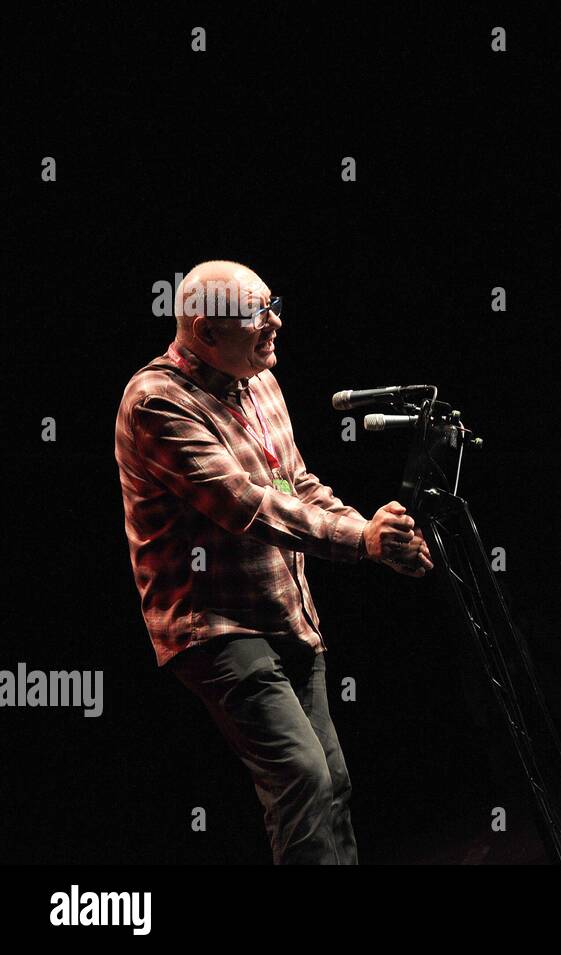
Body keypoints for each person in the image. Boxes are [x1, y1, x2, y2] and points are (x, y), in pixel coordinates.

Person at [115, 260, 431, 864]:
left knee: (332, 780)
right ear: (206, 333)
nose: (275, 321)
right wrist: (361, 542)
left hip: (285, 610)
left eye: (273, 304)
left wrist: (371, 532)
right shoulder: (156, 402)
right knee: (302, 780)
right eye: (258, 314)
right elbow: (246, 507)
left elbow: (295, 484)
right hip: (215, 626)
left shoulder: (259, 378)